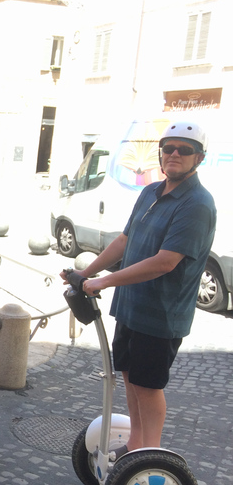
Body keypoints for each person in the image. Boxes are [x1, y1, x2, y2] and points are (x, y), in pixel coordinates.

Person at [66, 120, 216, 457]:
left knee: (148, 387)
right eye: (169, 148)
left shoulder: (197, 204)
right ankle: (136, 444)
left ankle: (150, 456)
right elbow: (125, 239)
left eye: (184, 150)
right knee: (131, 380)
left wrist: (103, 281)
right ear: (160, 154)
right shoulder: (151, 192)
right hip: (131, 307)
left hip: (161, 314)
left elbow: (165, 262)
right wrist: (83, 273)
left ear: (199, 158)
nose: (174, 154)